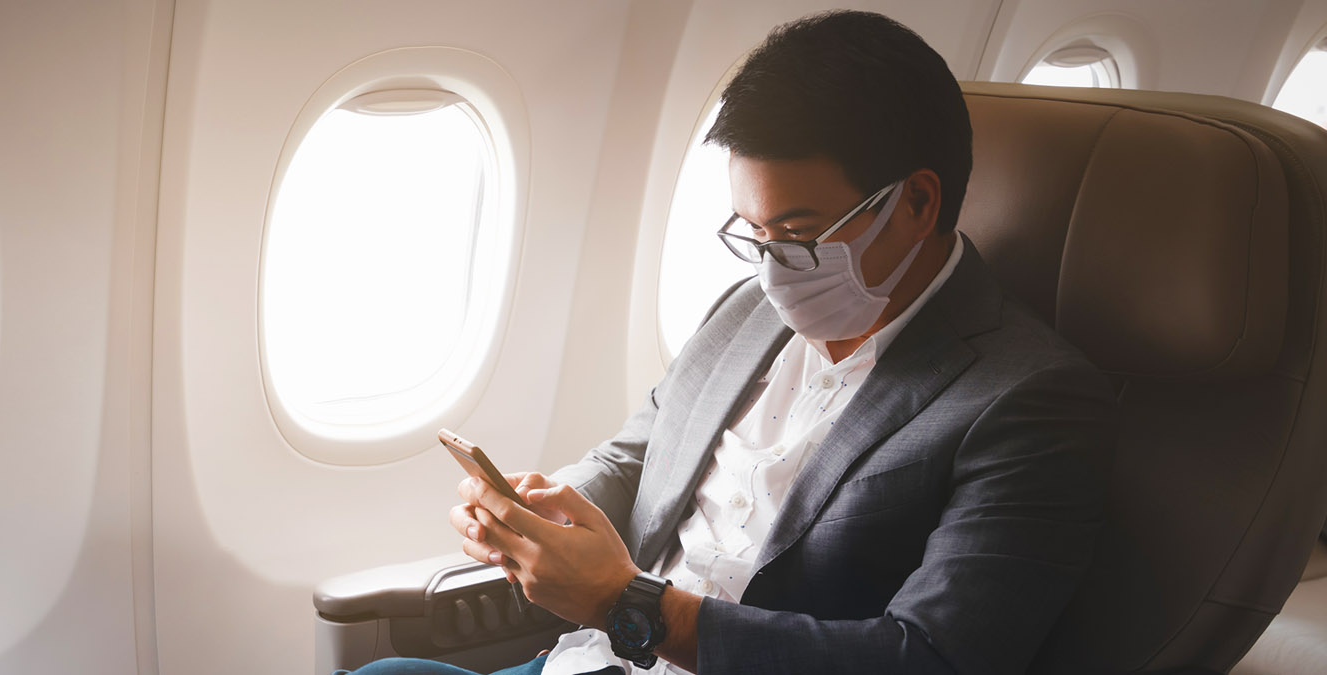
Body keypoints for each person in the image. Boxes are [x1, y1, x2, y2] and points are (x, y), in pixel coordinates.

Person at [339, 9, 1114, 675]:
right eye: (755, 232)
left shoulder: (1033, 399)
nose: (775, 269)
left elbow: (926, 658)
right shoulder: (748, 309)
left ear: (915, 201)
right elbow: (637, 459)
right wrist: (538, 516)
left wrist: (625, 601)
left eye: (800, 234)